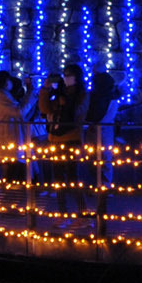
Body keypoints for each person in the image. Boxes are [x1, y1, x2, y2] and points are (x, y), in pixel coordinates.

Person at [47, 64, 89, 222]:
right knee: (58, 179)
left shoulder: (81, 94)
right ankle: (63, 214)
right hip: (55, 139)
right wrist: (46, 90)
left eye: (69, 75)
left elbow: (78, 115)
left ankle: (83, 214)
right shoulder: (58, 93)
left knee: (73, 178)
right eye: (64, 75)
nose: (66, 78)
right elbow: (45, 109)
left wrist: (65, 105)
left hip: (71, 139)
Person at [83, 71, 119, 235]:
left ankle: (101, 186)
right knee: (103, 159)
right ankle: (103, 186)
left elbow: (92, 114)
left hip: (98, 130)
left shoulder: (99, 98)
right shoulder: (110, 97)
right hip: (104, 130)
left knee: (99, 159)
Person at [0, 71, 25, 183]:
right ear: (4, 82)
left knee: (13, 169)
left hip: (10, 138)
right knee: (11, 171)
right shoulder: (0, 99)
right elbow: (18, 112)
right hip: (7, 138)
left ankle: (11, 195)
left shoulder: (5, 97)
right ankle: (9, 196)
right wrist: (31, 98)